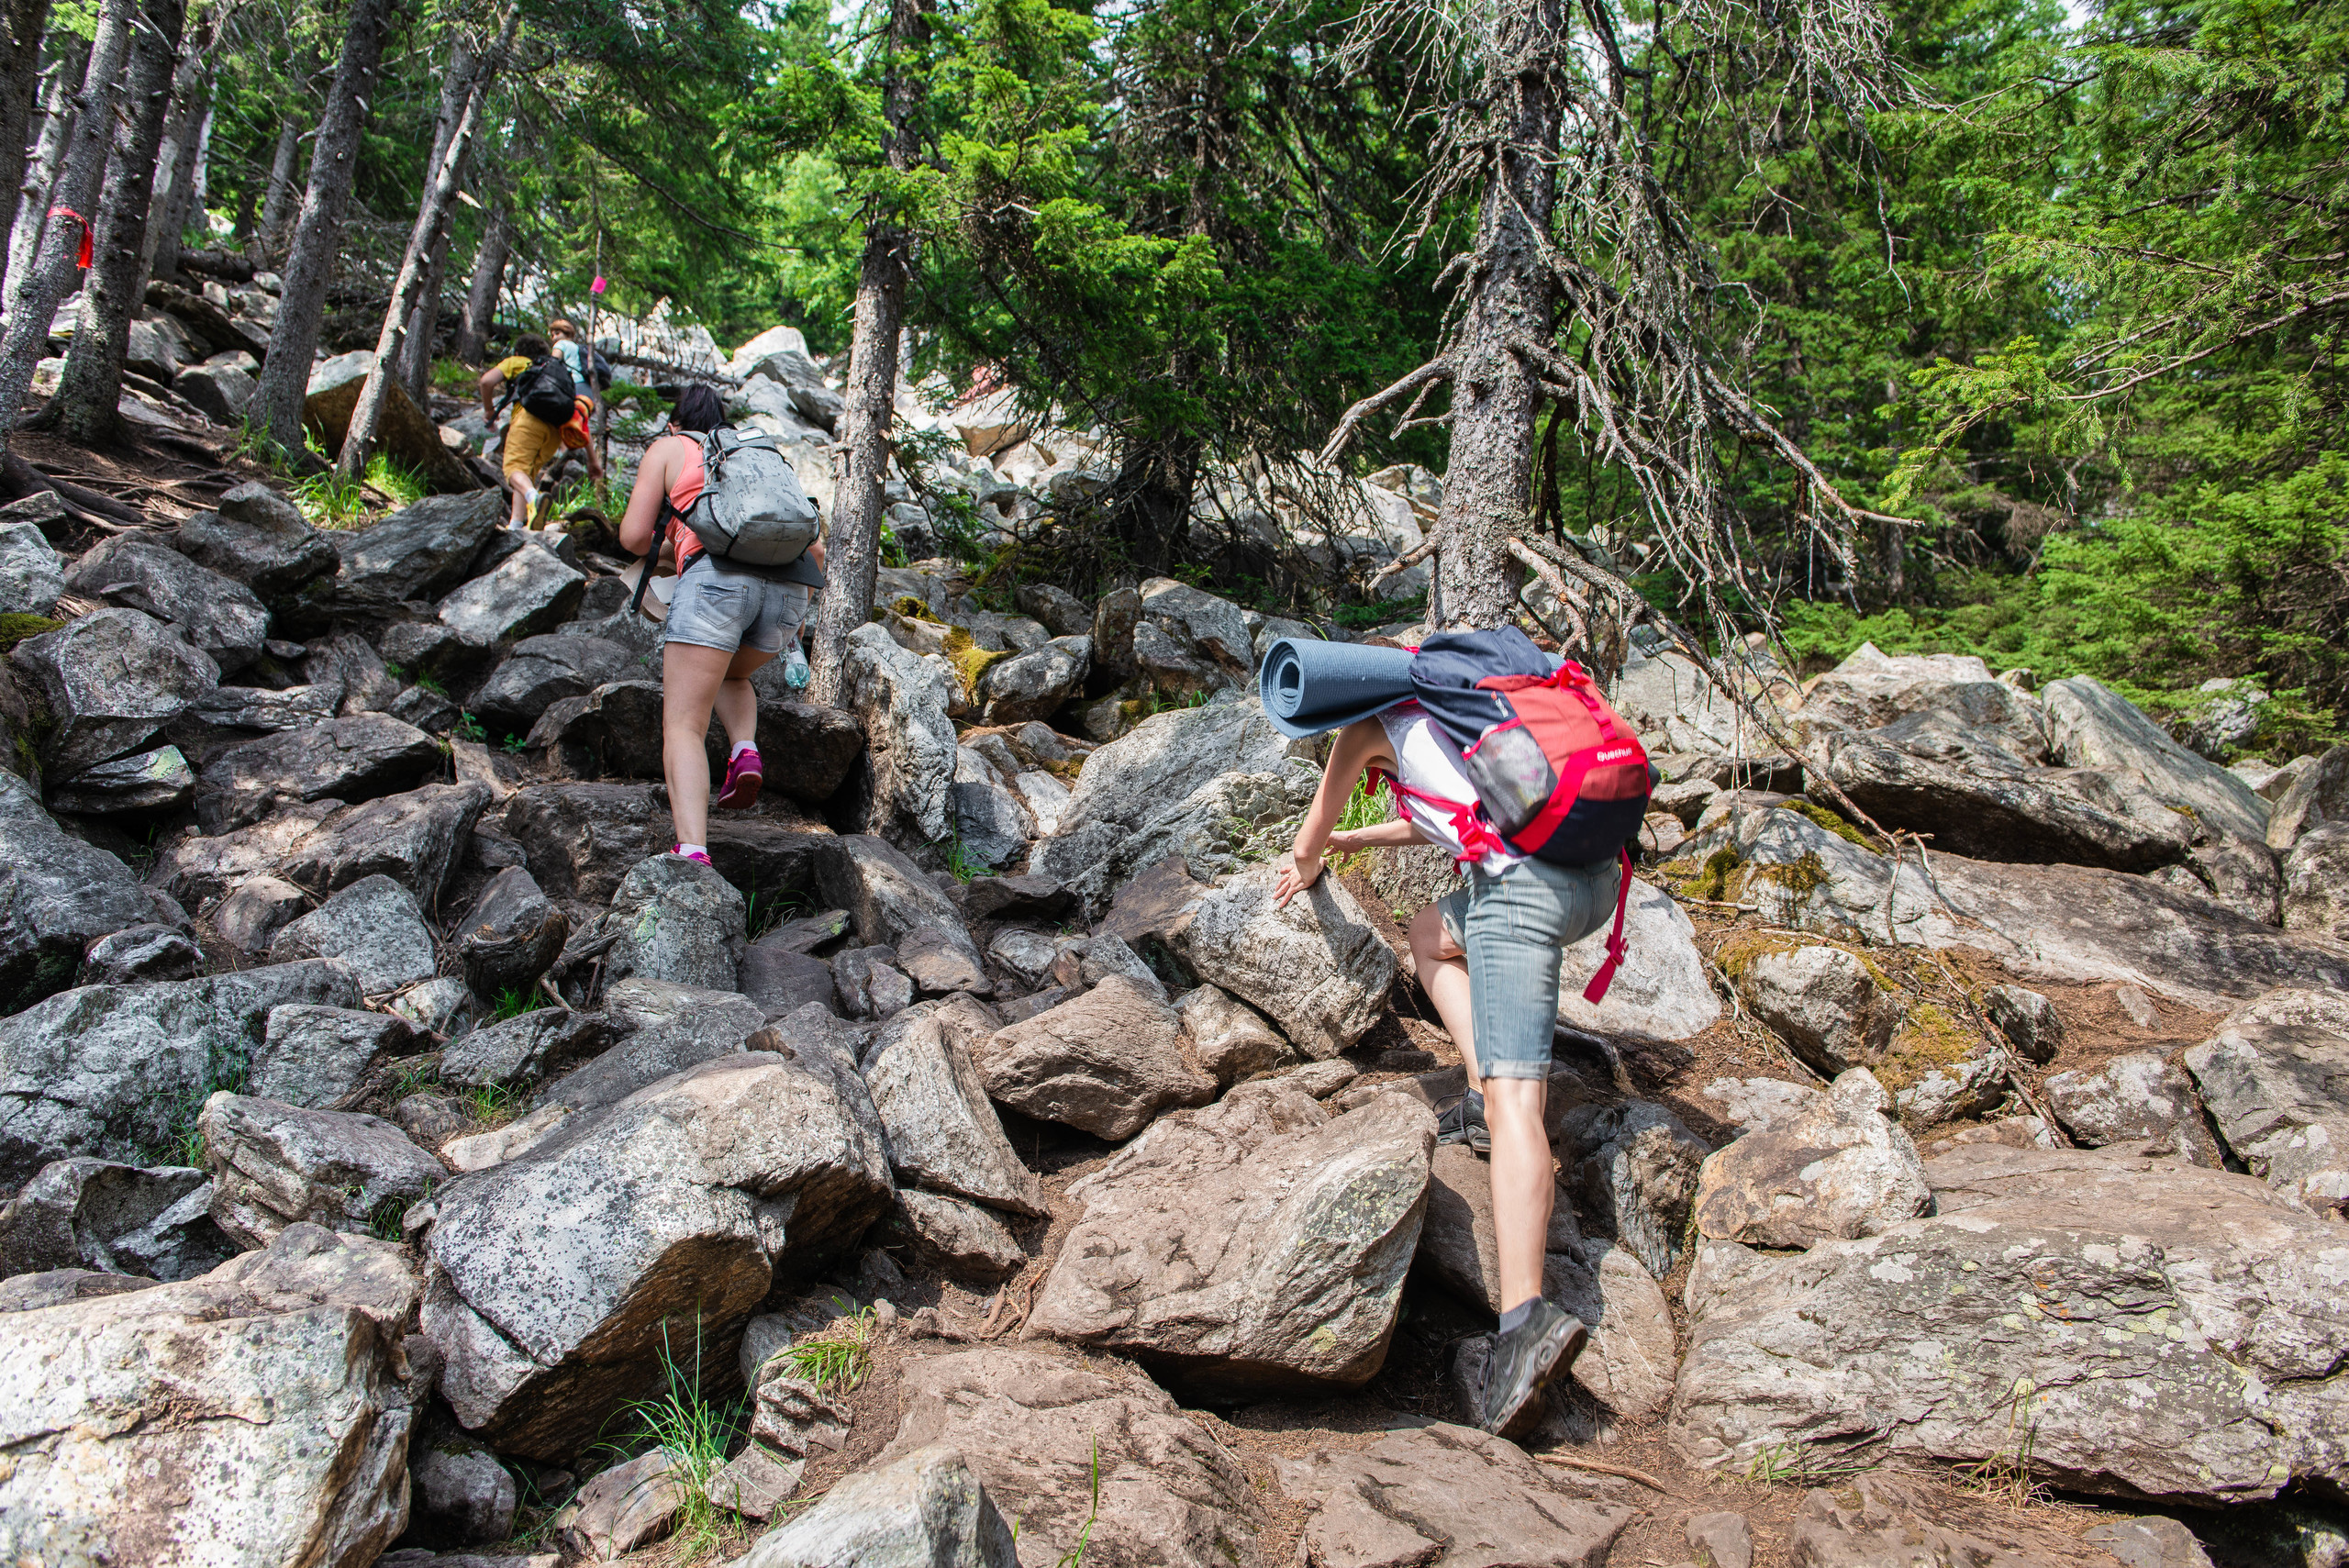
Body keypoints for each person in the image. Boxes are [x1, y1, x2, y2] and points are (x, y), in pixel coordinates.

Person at [1274, 701, 1613, 1437]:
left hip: (1524, 895)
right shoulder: (1466, 717)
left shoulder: (1363, 729)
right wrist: (1358, 837)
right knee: (1430, 933)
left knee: (1517, 1105)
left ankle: (1525, 1323)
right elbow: (1440, 818)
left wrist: (1312, 855)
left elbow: (1305, 850)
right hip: (1595, 883)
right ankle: (1479, 1081)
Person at [616, 384, 824, 865]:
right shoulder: (754, 454)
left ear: (676, 421)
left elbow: (631, 536)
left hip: (717, 583)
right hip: (790, 589)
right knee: (732, 671)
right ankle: (745, 750)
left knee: (685, 726)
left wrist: (678, 549)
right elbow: (814, 546)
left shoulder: (671, 447)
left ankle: (692, 853)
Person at [479, 332, 603, 530]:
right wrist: (592, 460)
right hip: (554, 430)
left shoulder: (518, 362)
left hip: (528, 420)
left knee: (513, 470)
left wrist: (488, 410)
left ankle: (533, 498)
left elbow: (486, 381)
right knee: (526, 473)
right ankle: (517, 525)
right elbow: (577, 418)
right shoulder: (559, 372)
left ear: (519, 351)